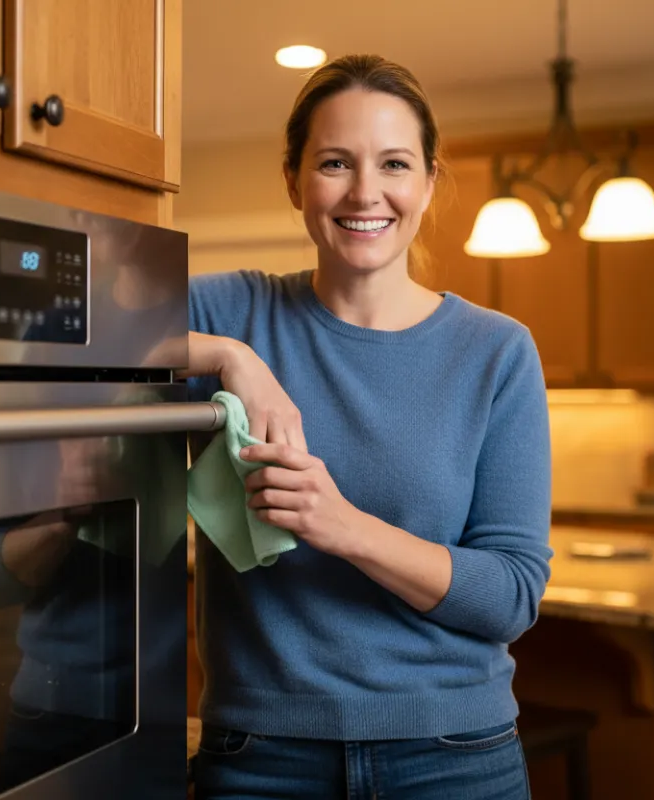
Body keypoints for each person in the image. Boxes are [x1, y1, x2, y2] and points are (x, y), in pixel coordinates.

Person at [183, 54, 554, 799]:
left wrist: (342, 525)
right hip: (262, 753)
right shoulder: (232, 314)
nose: (365, 192)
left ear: (427, 182)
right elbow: (61, 326)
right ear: (293, 179)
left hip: (454, 754)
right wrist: (232, 358)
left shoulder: (497, 351)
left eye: (393, 163)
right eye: (333, 162)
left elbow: (512, 595)